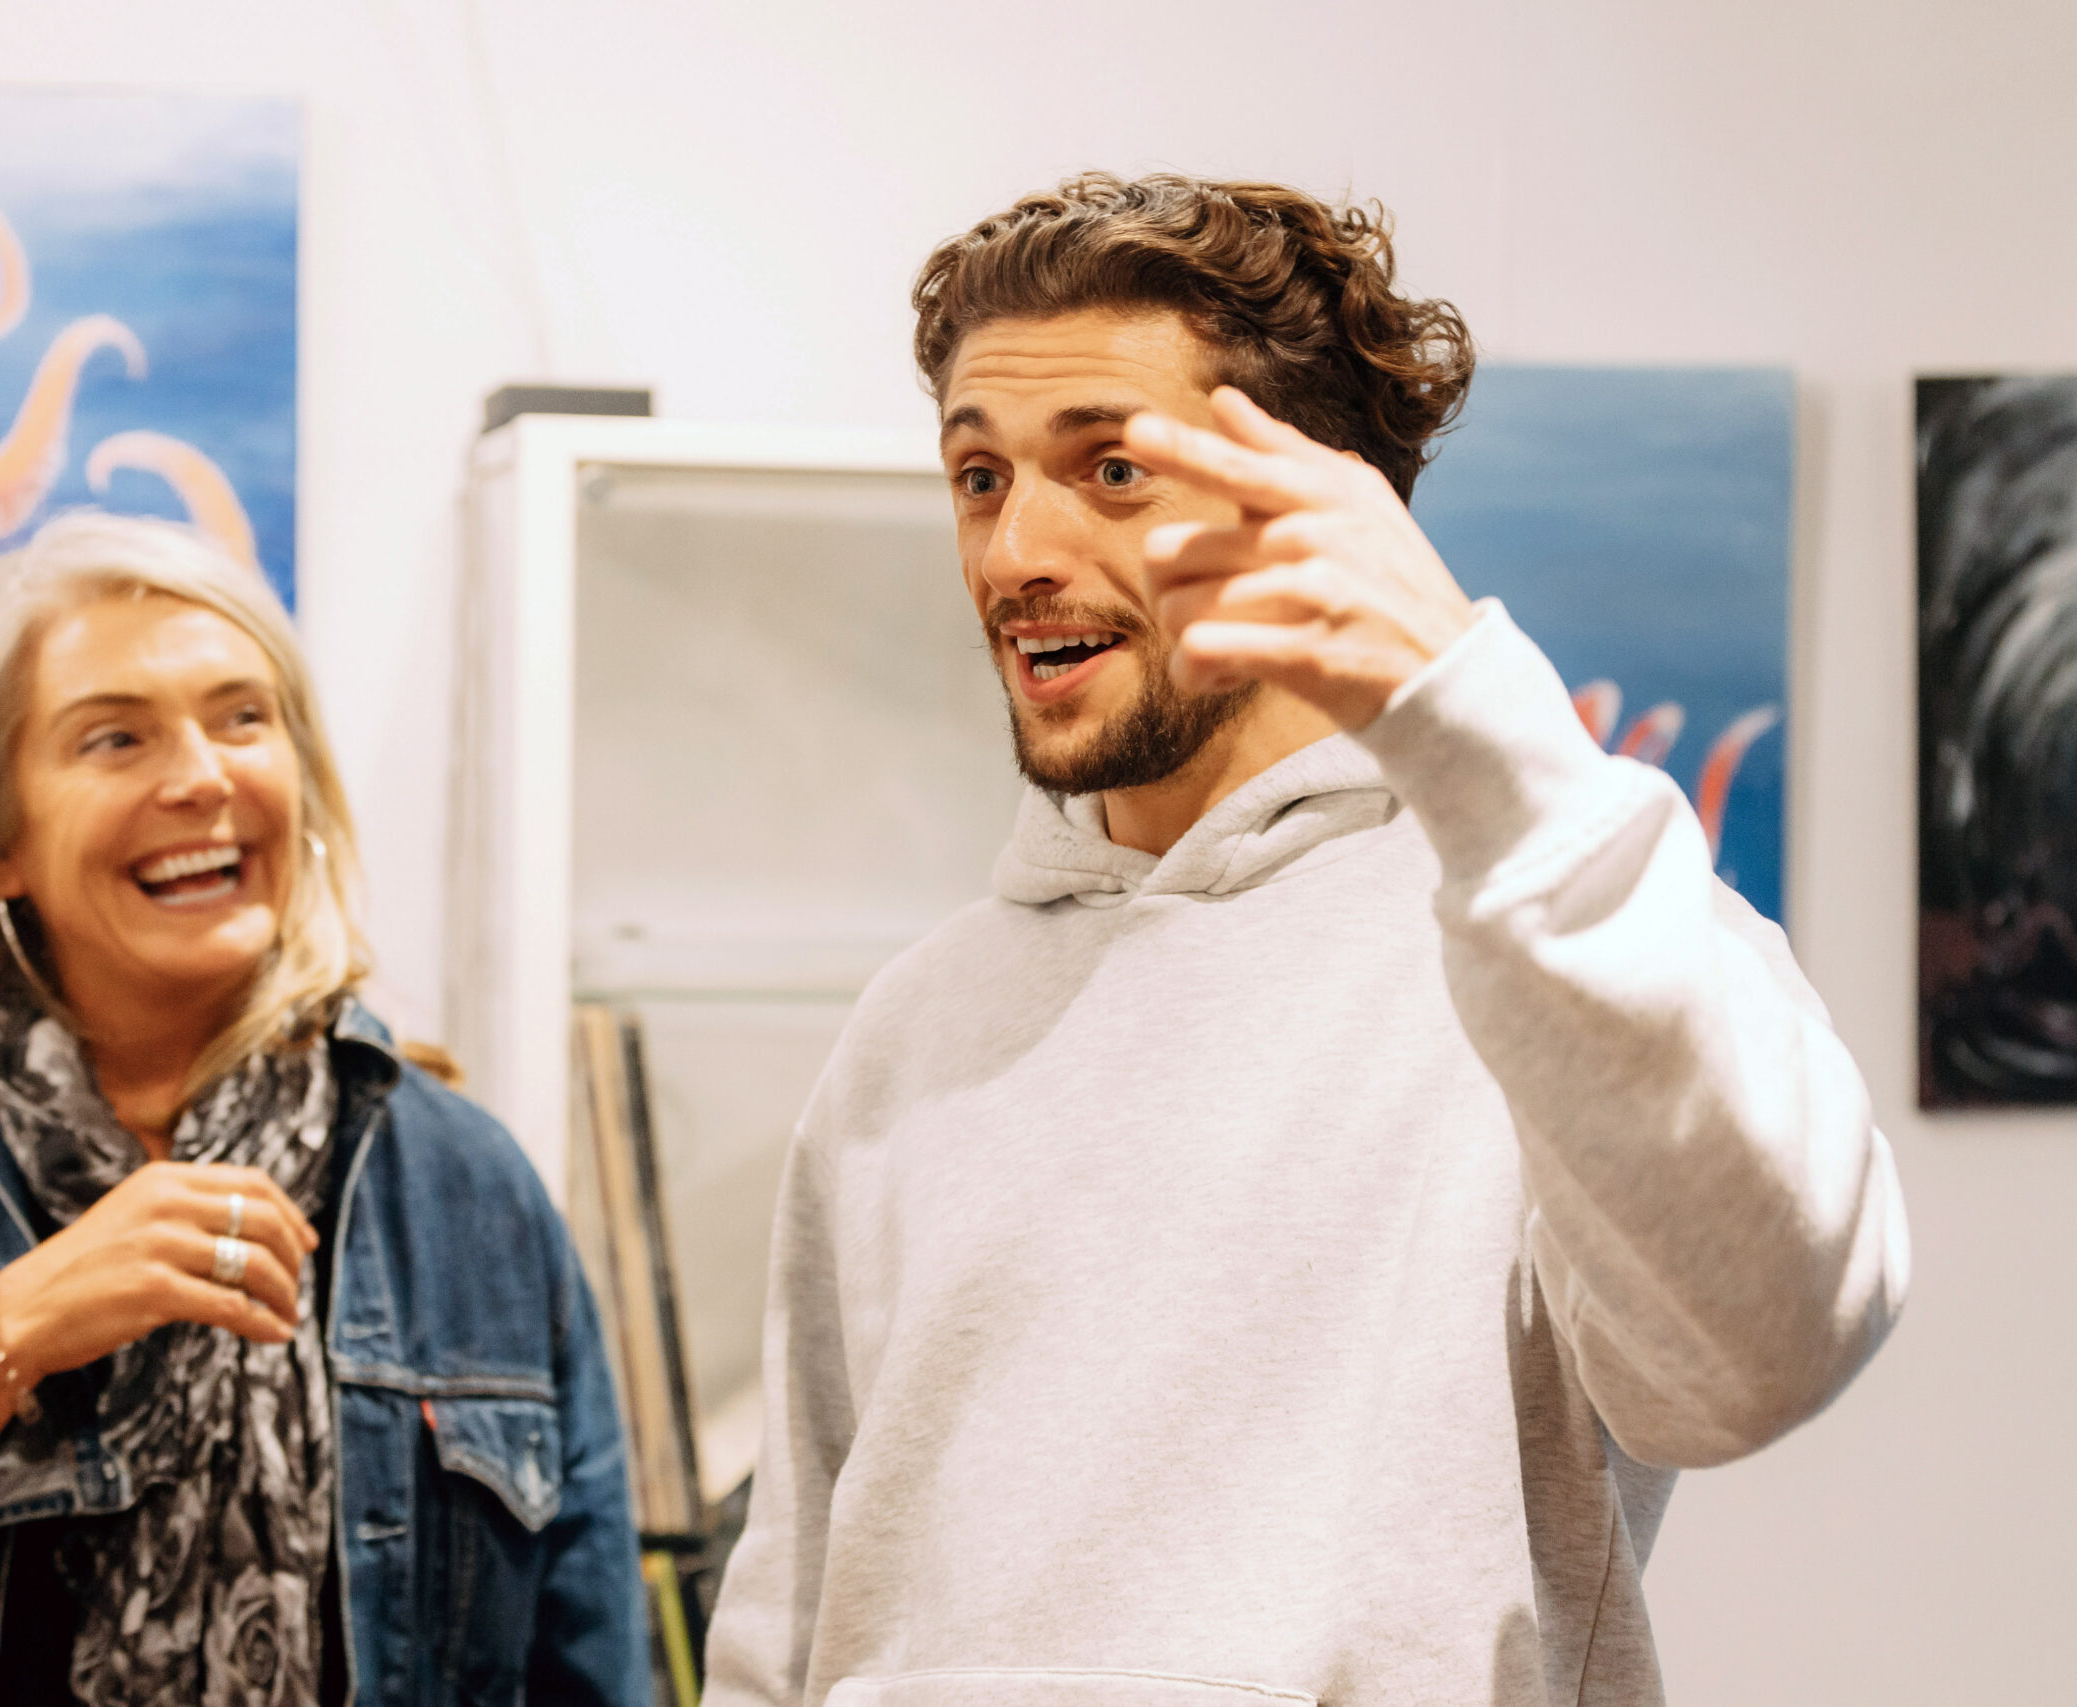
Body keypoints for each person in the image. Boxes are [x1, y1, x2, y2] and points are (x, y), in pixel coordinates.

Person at [702, 174, 1910, 1707]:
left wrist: (1471, 718)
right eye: (981, 475)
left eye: (1112, 468)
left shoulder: (1554, 929)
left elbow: (1765, 1346)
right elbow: (784, 1615)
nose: (1017, 550)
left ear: (1315, 508)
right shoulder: (913, 1025)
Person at [0, 514, 647, 1707]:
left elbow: (595, 1670)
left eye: (244, 716)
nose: (201, 775)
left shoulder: (465, 1185)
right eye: (115, 737)